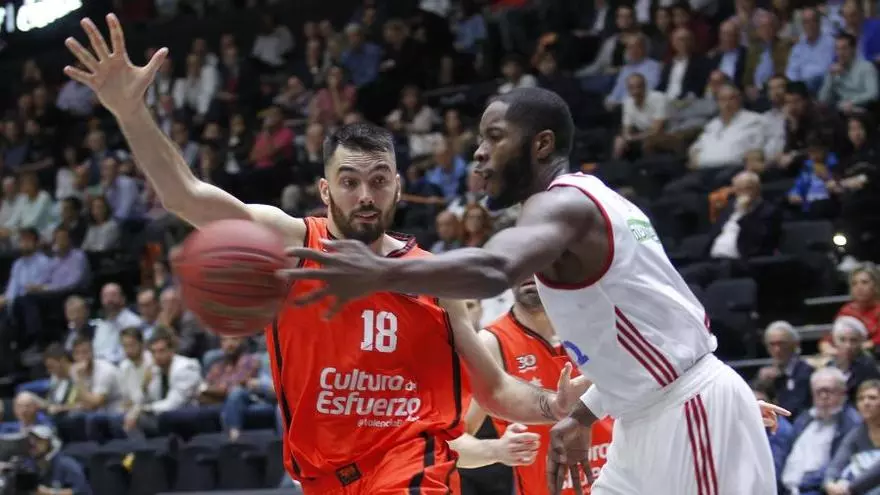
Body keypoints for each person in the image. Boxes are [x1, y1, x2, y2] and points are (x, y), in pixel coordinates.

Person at [62, 15, 586, 495]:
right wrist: (130, 112)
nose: (365, 195)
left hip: (411, 466)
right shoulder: (292, 244)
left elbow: (493, 389)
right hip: (321, 478)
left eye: (379, 181)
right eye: (350, 181)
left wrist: (550, 404)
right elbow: (185, 196)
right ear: (325, 189)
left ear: (398, 188)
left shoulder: (432, 276)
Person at [279, 86, 790, 494]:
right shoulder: (581, 205)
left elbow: (494, 268)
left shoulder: (563, 204)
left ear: (540, 144)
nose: (479, 153)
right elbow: (638, 330)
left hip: (686, 409)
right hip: (645, 415)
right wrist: (582, 415)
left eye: (494, 137)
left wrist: (381, 272)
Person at [450, 277, 602, 494]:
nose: (529, 273)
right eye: (522, 264)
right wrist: (496, 450)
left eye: (536, 262)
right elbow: (450, 443)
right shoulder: (491, 342)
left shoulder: (595, 324)